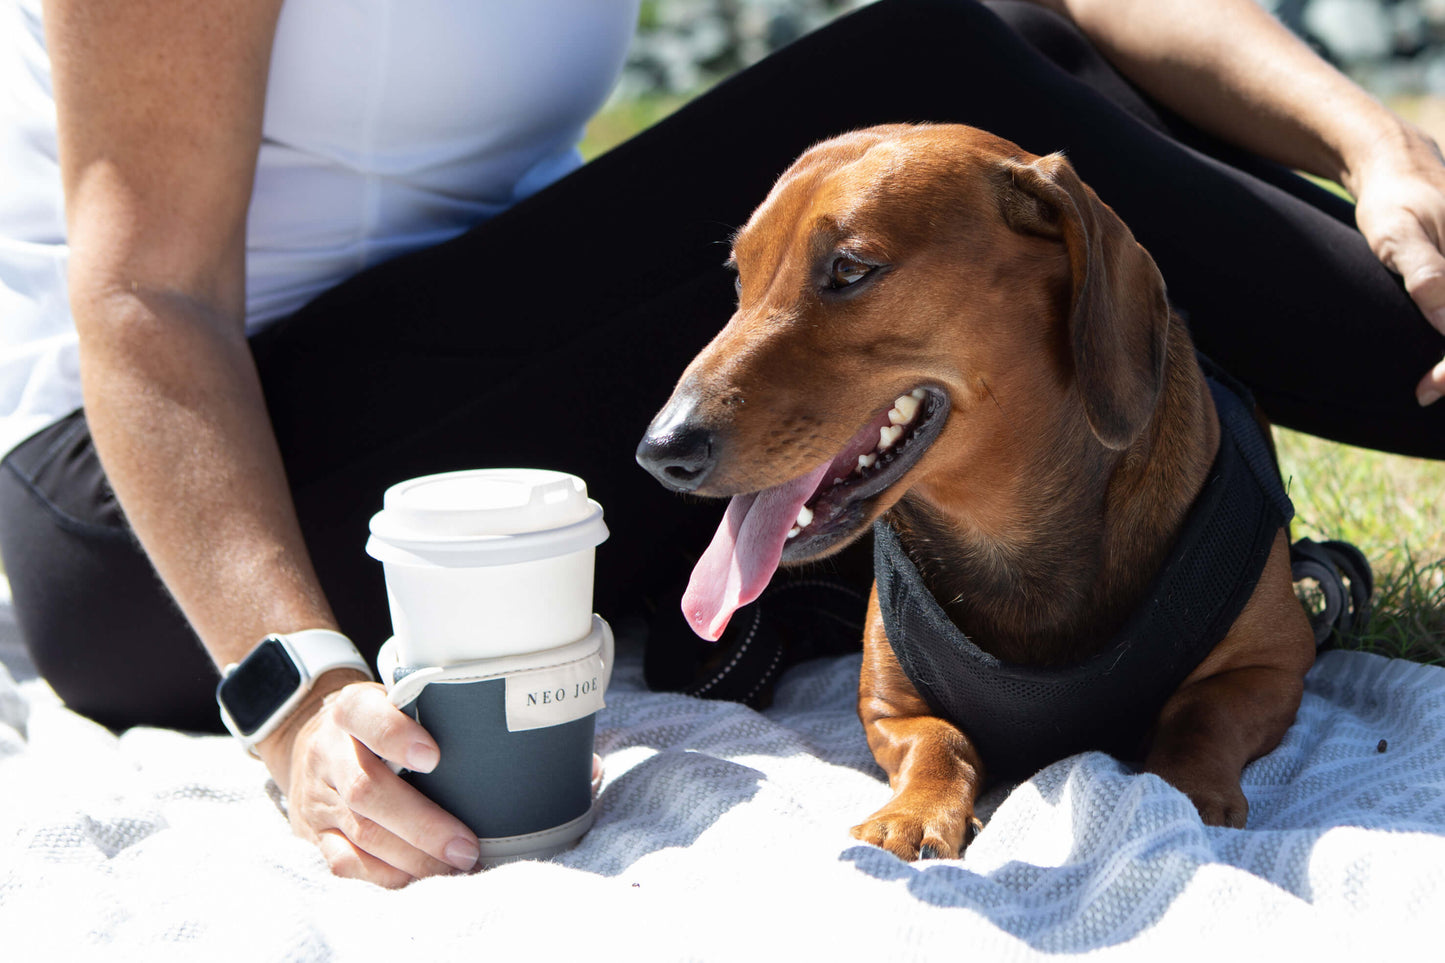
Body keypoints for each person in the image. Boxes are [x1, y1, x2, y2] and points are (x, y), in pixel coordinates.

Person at [0, 0, 1441, 888]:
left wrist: (1372, 148)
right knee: (912, 73)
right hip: (163, 527)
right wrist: (294, 685)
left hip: (502, 418)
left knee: (977, 101)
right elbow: (145, 295)